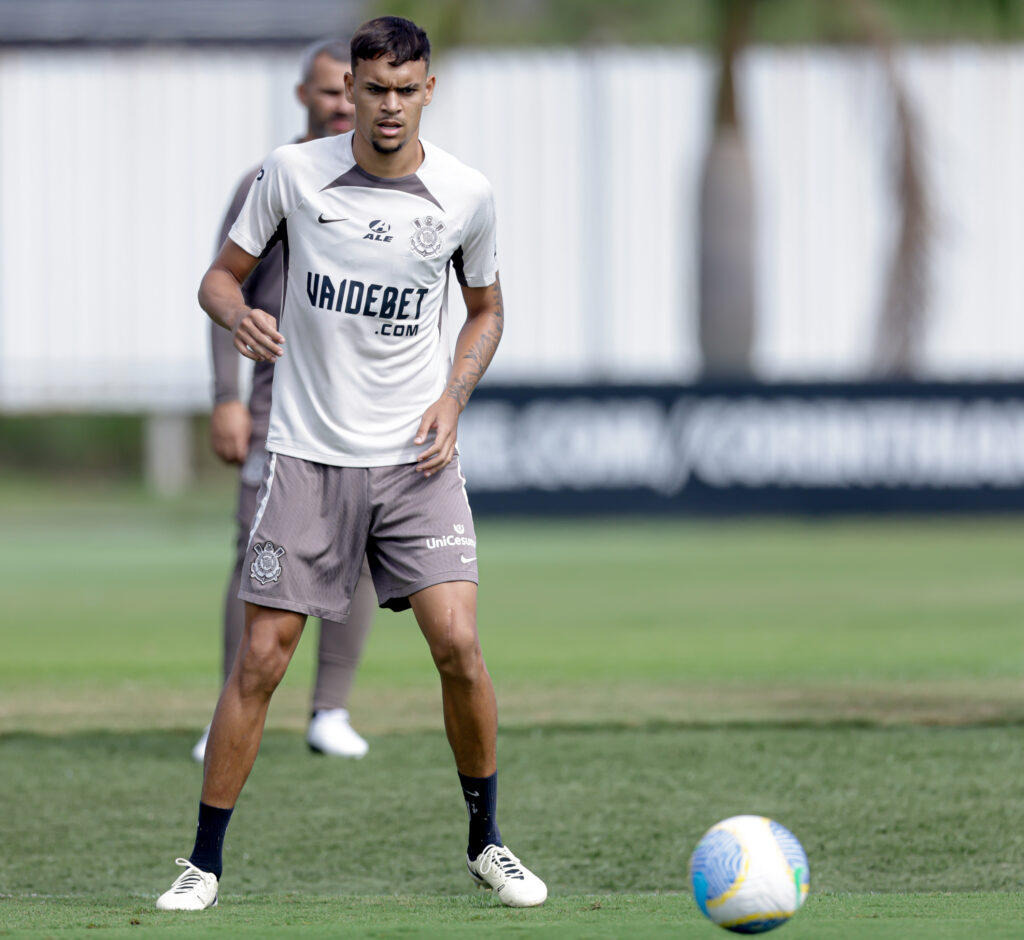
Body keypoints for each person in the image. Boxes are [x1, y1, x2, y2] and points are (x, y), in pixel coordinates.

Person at [156, 16, 546, 910]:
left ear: (428, 93)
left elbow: (486, 310)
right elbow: (220, 276)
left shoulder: (466, 193)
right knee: (261, 659)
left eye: (407, 91)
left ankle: (487, 841)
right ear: (352, 92)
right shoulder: (290, 175)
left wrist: (452, 396)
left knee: (457, 644)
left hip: (416, 462)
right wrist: (236, 315)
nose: (389, 108)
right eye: (374, 90)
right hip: (306, 459)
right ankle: (203, 862)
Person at [194, 38, 373, 763]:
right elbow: (223, 287)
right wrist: (225, 399)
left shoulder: (386, 185)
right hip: (278, 406)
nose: (341, 104)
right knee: (256, 556)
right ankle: (226, 717)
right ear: (305, 96)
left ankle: (329, 710)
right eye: (329, 91)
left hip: (364, 410)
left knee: (352, 555)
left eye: (351, 91)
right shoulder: (271, 180)